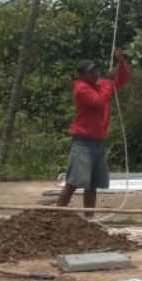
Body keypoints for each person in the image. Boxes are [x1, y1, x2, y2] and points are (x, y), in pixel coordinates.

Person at [57, 51, 129, 214]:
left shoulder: (100, 85)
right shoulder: (80, 88)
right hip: (83, 142)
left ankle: (89, 218)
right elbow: (98, 101)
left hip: (97, 142)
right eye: (90, 72)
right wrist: (107, 83)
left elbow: (122, 79)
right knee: (74, 181)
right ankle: (56, 215)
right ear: (81, 75)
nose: (95, 74)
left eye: (95, 70)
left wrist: (121, 63)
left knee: (92, 184)